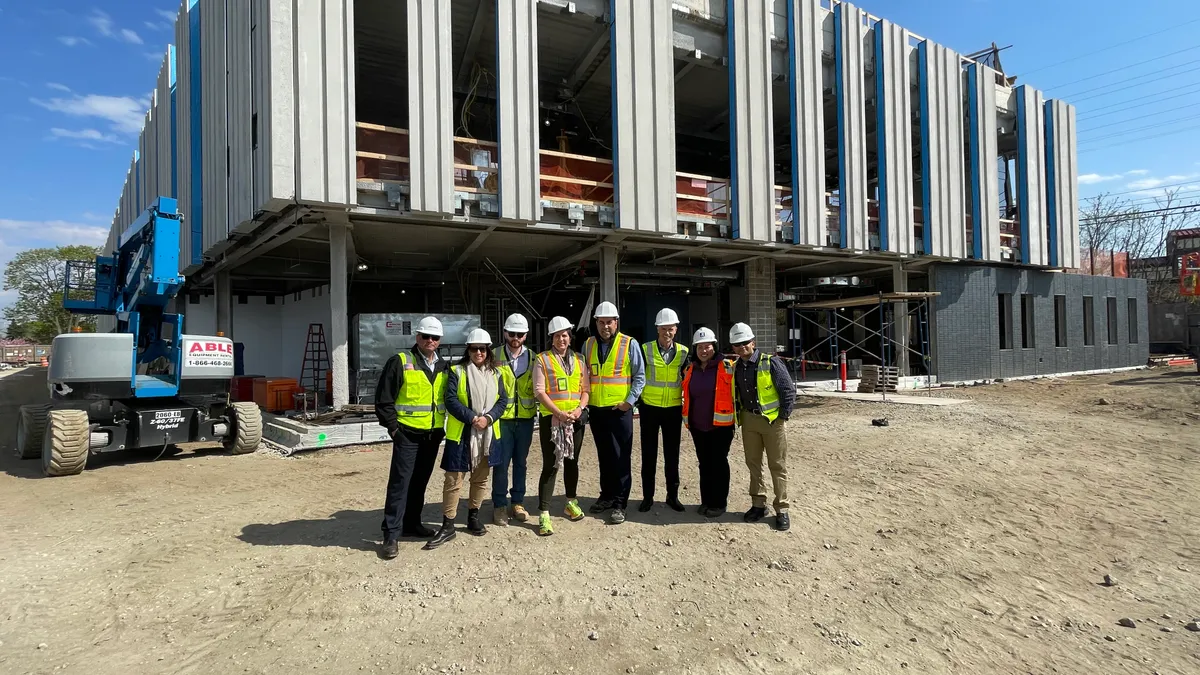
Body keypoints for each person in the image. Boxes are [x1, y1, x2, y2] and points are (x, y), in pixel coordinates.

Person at [424, 329, 509, 550]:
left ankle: (473, 517)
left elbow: (503, 400)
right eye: (474, 348)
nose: (478, 352)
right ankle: (448, 524)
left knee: (480, 478)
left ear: (488, 350)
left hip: (488, 435)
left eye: (482, 348)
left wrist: (488, 419)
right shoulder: (457, 371)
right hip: (462, 435)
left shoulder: (497, 374)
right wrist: (473, 419)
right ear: (468, 350)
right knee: (454, 480)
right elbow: (450, 400)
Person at [373, 316, 450, 559]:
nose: (430, 341)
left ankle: (412, 524)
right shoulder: (400, 361)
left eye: (434, 337)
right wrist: (394, 429)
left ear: (439, 341)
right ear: (417, 337)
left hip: (432, 435)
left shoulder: (443, 366)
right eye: (425, 336)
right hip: (406, 434)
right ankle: (391, 534)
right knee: (400, 484)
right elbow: (384, 399)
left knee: (419, 482)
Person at [729, 322, 796, 532]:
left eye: (745, 343)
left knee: (777, 466)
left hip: (772, 422)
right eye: (737, 344)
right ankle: (758, 505)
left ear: (753, 342)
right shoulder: (736, 366)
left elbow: (787, 391)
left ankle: (782, 509)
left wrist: (782, 417)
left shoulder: (771, 362)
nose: (742, 347)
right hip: (748, 420)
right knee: (754, 465)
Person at [583, 301, 645, 525]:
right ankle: (607, 496)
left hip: (620, 411)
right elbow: (584, 377)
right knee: (604, 456)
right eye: (601, 322)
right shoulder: (588, 345)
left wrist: (629, 402)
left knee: (621, 457)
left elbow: (640, 376)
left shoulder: (629, 344)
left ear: (616, 323)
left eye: (609, 322)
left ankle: (620, 502)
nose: (605, 326)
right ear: (596, 323)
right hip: (598, 411)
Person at [532, 315, 591, 536]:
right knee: (551, 464)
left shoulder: (579, 359)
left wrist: (578, 410)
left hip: (574, 420)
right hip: (553, 420)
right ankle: (544, 513)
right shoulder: (542, 359)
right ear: (551, 338)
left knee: (572, 461)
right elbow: (539, 390)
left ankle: (570, 501)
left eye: (565, 335)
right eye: (557, 336)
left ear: (570, 337)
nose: (561, 339)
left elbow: (586, 389)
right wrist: (558, 412)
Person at [681, 327, 736, 518]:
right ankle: (706, 501)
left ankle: (719, 503)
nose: (704, 351)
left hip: (721, 427)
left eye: (708, 347)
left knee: (718, 464)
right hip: (698, 427)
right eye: (700, 347)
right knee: (704, 464)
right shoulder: (690, 370)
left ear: (714, 347)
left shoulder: (727, 366)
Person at [638, 308, 689, 512]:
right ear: (657, 329)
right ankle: (647, 497)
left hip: (673, 410)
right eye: (663, 329)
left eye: (670, 329)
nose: (667, 332)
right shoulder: (645, 349)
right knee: (648, 455)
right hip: (649, 408)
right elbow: (638, 376)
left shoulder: (684, 352)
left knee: (672, 455)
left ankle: (672, 496)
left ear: (675, 330)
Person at [493, 313, 536, 527]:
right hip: (502, 420)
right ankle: (500, 505)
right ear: (505, 333)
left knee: (521, 463)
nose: (515, 337)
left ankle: (517, 502)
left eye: (519, 334)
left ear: (526, 335)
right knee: (501, 464)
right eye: (511, 333)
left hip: (526, 419)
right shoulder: (493, 356)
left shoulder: (534, 358)